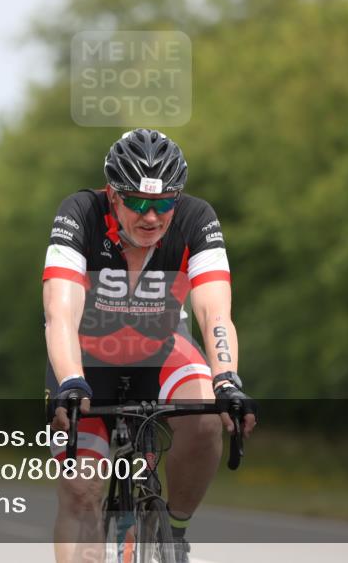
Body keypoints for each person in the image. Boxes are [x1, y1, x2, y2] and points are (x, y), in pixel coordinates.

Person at [43, 129, 257, 563]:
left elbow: (214, 313)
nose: (151, 216)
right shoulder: (80, 214)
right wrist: (69, 379)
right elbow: (59, 313)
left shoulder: (197, 219)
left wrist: (228, 380)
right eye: (137, 202)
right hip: (85, 361)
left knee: (206, 422)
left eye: (163, 203)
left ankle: (174, 530)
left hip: (161, 351)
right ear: (112, 194)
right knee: (81, 491)